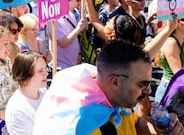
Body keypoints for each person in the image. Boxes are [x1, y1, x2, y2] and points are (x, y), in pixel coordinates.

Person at [33, 39, 184, 134]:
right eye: (143, 84)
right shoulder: (81, 128)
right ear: (115, 82)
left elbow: (136, 123)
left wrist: (160, 129)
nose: (149, 90)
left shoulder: (115, 96)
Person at [5, 50, 48, 135]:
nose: (46, 73)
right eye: (40, 71)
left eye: (45, 69)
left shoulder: (44, 92)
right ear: (25, 75)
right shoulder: (17, 110)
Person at [53, 0, 88, 69]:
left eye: (81, 0)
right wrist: (78, 29)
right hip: (60, 66)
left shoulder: (72, 14)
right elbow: (63, 43)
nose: (79, 2)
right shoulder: (54, 20)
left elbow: (77, 37)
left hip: (73, 63)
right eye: (77, 0)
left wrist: (79, 53)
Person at [154, 17, 184, 102]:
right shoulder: (170, 43)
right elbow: (179, 74)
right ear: (175, 22)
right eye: (183, 19)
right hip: (170, 90)